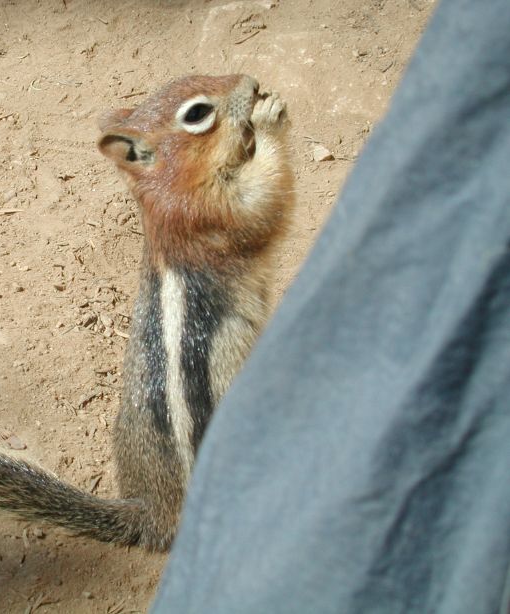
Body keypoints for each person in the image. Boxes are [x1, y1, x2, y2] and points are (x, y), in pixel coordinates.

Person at [151, 0, 510, 611]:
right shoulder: (202, 217)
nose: (243, 89)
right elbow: (264, 221)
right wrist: (270, 143)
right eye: (202, 116)